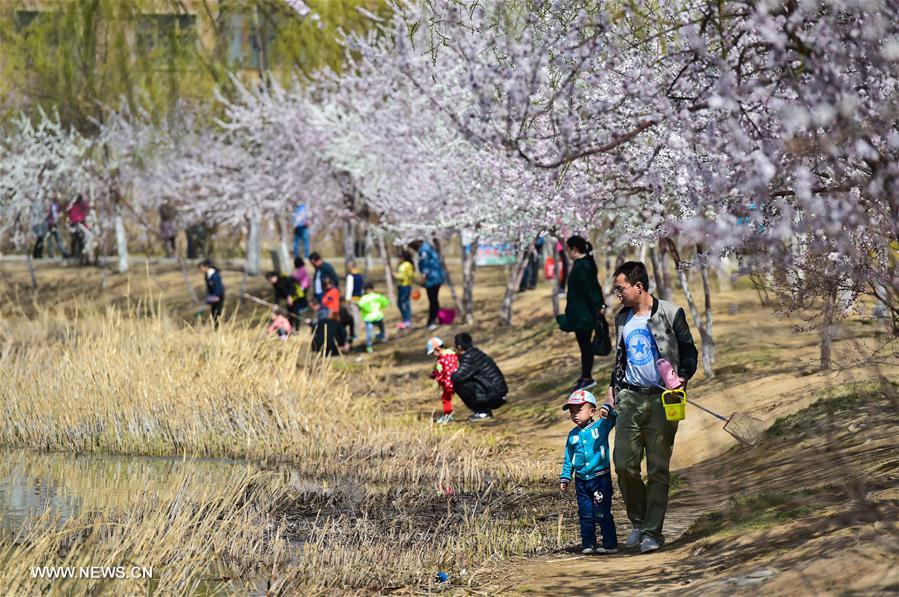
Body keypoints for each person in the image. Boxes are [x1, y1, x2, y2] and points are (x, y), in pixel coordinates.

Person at [607, 260, 698, 554]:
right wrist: (613, 388)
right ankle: (638, 520)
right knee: (623, 464)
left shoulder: (671, 313)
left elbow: (689, 350)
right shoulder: (622, 319)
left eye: (620, 288)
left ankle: (651, 532)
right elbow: (621, 357)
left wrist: (682, 377)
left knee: (658, 469)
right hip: (630, 397)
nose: (617, 293)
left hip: (662, 399)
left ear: (639, 287)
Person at [559, 389, 618, 555]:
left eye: (579, 410)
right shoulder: (572, 435)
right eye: (572, 412)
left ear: (592, 411)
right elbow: (569, 458)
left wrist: (608, 409)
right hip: (581, 482)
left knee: (601, 512)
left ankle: (610, 543)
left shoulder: (601, 425)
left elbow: (614, 417)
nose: (575, 414)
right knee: (585, 514)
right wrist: (565, 477)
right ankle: (588, 543)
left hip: (600, 479)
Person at [556, 235, 606, 393]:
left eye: (568, 249)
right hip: (582, 313)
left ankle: (587, 378)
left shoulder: (581, 266)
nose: (567, 252)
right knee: (585, 346)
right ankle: (585, 376)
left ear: (574, 250)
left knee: (585, 347)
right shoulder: (586, 263)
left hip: (583, 315)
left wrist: (598, 306)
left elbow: (590, 290)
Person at [450, 332, 508, 422]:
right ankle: (483, 411)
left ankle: (483, 412)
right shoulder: (474, 353)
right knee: (464, 381)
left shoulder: (470, 357)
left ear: (459, 347)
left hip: (495, 395)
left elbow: (457, 377)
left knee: (458, 384)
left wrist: (448, 373)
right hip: (498, 392)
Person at [409, 239, 444, 330]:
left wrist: (423, 278)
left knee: (432, 300)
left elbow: (425, 265)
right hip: (438, 277)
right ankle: (436, 319)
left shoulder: (423, 251)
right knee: (434, 299)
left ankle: (431, 321)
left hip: (432, 279)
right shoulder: (429, 248)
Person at [427, 337, 459, 424]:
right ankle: (448, 415)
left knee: (446, 399)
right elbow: (439, 370)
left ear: (437, 349)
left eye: (433, 352)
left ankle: (448, 416)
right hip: (448, 383)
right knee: (446, 399)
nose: (433, 354)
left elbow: (449, 372)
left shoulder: (446, 358)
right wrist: (433, 375)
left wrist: (447, 384)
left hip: (449, 384)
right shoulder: (442, 358)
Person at [358, 282, 389, 353]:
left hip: (368, 318)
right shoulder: (378, 296)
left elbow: (361, 305)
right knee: (382, 329)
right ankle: (381, 337)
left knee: (369, 333)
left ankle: (369, 346)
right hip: (378, 316)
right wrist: (380, 307)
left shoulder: (364, 298)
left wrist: (367, 309)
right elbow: (386, 302)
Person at [198, 259, 225, 326]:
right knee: (213, 314)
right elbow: (209, 288)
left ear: (206, 267)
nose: (200, 269)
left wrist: (216, 296)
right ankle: (215, 329)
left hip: (218, 298)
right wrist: (209, 297)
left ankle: (218, 329)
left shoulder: (215, 275)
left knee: (217, 315)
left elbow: (219, 287)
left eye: (201, 267)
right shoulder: (207, 275)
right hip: (213, 297)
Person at [345, 260, 365, 344]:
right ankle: (359, 330)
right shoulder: (360, 275)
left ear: (350, 267)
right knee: (359, 316)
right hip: (360, 298)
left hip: (353, 298)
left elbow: (349, 288)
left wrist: (347, 299)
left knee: (354, 316)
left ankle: (355, 333)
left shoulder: (350, 276)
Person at [394, 250, 415, 330]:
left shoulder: (407, 264)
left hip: (405, 285)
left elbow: (408, 275)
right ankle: (406, 320)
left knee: (403, 302)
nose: (399, 258)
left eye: (400, 256)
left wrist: (395, 275)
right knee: (403, 303)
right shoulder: (401, 264)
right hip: (401, 285)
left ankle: (407, 320)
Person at [67, 194, 90, 264]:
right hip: (77, 223)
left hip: (78, 223)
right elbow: (68, 211)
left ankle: (76, 254)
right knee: (77, 240)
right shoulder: (77, 205)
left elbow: (68, 211)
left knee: (77, 240)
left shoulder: (78, 205)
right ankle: (76, 254)